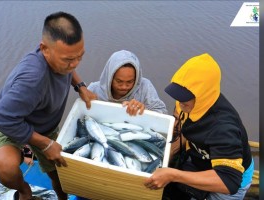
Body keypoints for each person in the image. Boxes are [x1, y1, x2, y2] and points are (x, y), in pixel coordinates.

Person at [0, 11, 97, 200]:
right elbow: (0, 118)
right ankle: (24, 190)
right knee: (6, 168)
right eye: (69, 60)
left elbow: (70, 67)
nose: (75, 64)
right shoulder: (32, 79)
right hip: (12, 122)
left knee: (62, 176)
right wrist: (45, 144)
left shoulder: (59, 55)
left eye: (80, 56)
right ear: (44, 49)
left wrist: (80, 87)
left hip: (45, 125)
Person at [144, 53, 254, 200]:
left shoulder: (223, 128)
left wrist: (173, 175)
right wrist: (167, 157)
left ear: (204, 94)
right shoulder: (186, 104)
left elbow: (229, 182)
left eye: (185, 96)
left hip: (228, 181)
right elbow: (180, 126)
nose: (179, 102)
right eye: (177, 94)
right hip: (201, 160)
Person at [88, 50, 168, 116]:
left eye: (130, 82)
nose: (124, 87)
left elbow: (163, 112)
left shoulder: (145, 87)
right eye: (119, 81)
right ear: (110, 77)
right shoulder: (93, 90)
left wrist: (144, 110)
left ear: (136, 78)